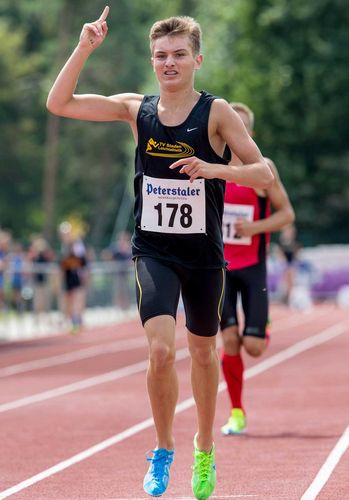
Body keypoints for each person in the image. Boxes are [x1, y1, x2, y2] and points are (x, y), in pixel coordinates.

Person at [47, 8, 273, 499]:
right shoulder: (137, 109)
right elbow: (59, 102)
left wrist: (217, 172)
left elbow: (265, 175)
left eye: (178, 55)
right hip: (153, 250)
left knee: (204, 353)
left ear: (197, 59)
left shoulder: (216, 114)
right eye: (161, 56)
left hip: (204, 256)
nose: (169, 64)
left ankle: (205, 447)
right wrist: (84, 46)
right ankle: (165, 447)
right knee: (160, 351)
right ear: (152, 61)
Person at [220, 102, 295, 435]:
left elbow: (287, 215)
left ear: (248, 133)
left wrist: (255, 228)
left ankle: (260, 326)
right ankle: (236, 411)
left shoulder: (263, 169)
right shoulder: (212, 168)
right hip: (218, 269)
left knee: (253, 347)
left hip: (252, 267)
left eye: (241, 129)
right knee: (229, 341)